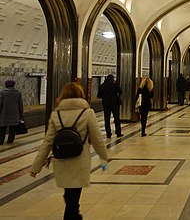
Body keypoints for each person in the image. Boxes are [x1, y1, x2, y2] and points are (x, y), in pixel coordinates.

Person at [30, 82, 109, 220]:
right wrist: (104, 157)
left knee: (69, 193)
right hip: (80, 160)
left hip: (61, 160)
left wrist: (36, 167)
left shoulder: (56, 115)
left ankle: (74, 214)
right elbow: (97, 138)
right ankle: (73, 215)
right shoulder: (88, 113)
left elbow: (48, 142)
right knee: (74, 194)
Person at [0, 80, 24, 145]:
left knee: (2, 129)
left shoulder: (2, 93)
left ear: (6, 85)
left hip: (3, 114)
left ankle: (1, 141)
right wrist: (21, 115)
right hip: (14, 114)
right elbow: (20, 105)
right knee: (12, 129)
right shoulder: (18, 93)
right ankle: (10, 141)